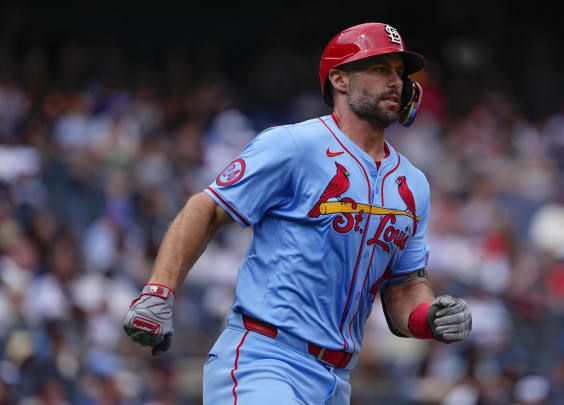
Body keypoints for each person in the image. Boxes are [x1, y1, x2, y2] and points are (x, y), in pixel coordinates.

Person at [122, 22, 472, 404]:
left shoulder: (413, 184)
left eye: (399, 72)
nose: (395, 81)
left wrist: (429, 318)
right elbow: (206, 208)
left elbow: (403, 287)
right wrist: (159, 291)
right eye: (378, 68)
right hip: (265, 360)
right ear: (339, 79)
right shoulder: (293, 145)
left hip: (336, 381)